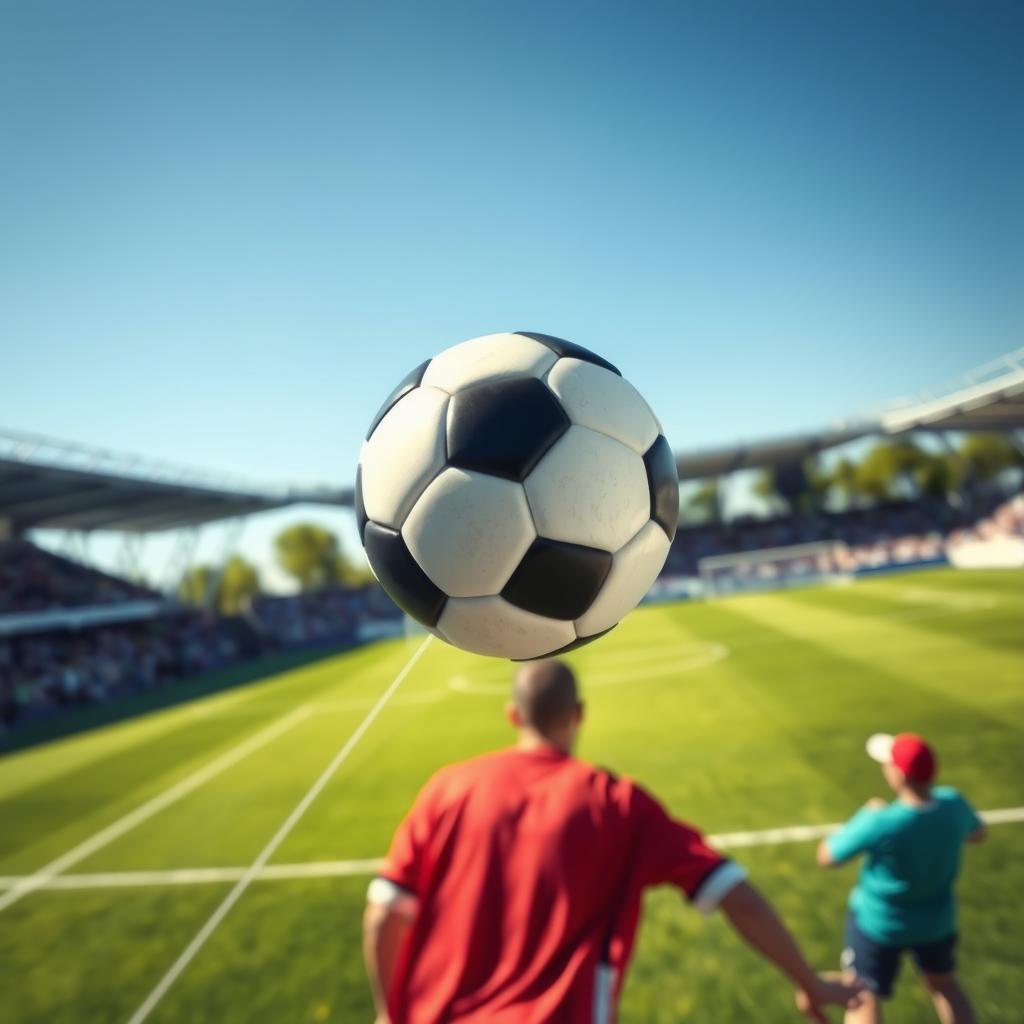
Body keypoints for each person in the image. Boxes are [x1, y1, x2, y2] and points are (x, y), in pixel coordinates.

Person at [364, 659, 861, 1023]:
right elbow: (735, 894)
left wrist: (389, 1013)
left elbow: (384, 912)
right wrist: (808, 980)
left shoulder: (447, 787)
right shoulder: (616, 804)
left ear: (513, 715)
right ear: (578, 714)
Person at [817, 733, 986, 1024]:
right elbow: (978, 833)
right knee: (944, 985)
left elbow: (827, 857)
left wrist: (863, 817)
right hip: (936, 923)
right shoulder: (954, 804)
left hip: (879, 926)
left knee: (862, 994)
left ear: (898, 775)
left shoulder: (881, 821)